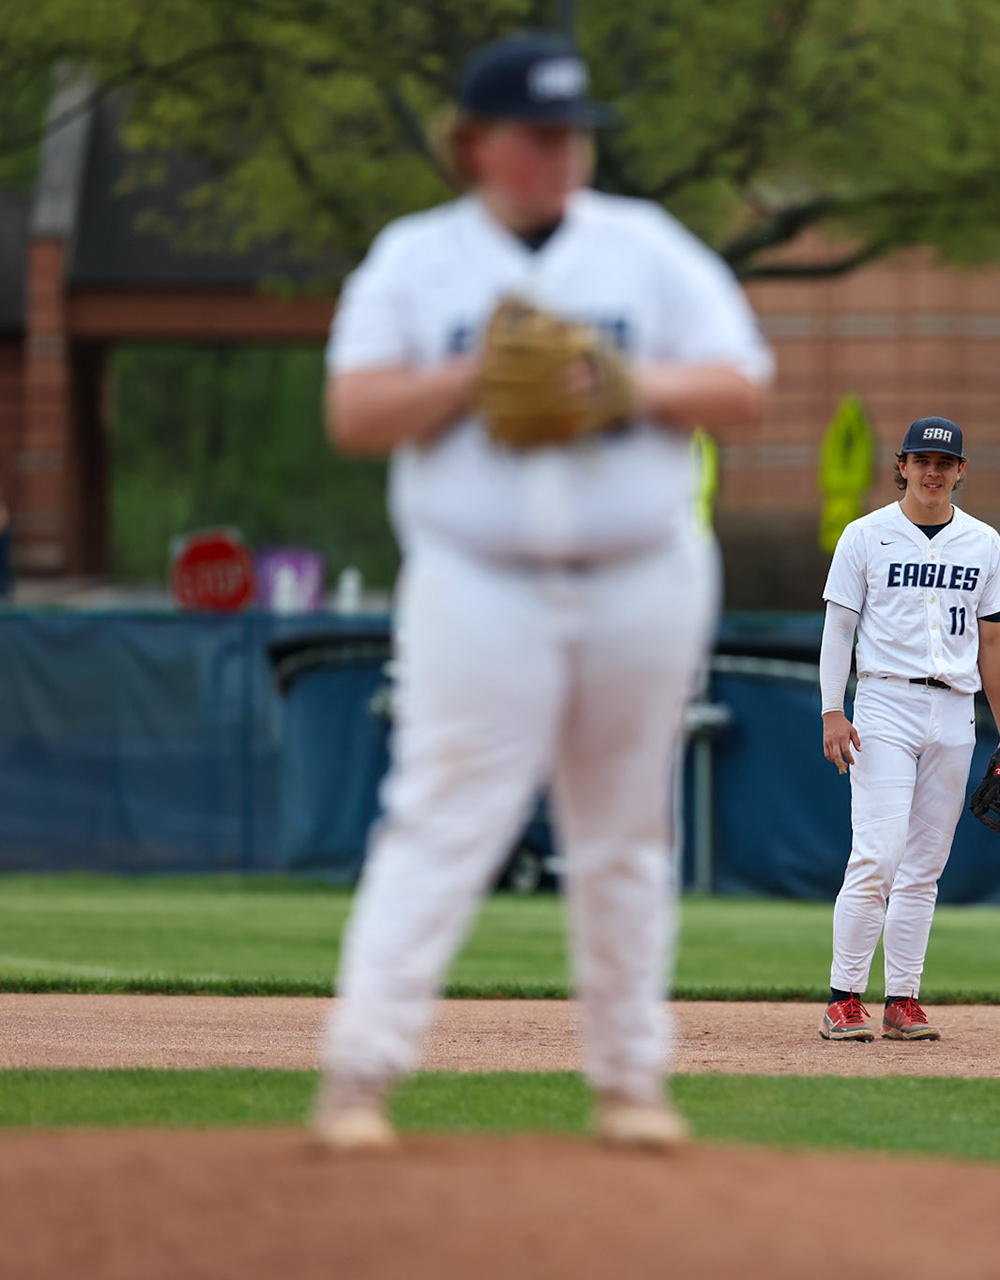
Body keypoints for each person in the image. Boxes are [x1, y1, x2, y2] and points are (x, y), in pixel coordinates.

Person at [313, 33, 773, 1151]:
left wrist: (630, 383)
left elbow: (742, 387)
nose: (563, 153)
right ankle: (359, 1076)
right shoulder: (418, 259)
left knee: (627, 829)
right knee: (441, 815)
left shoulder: (644, 247)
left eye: (574, 135)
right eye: (538, 134)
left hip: (643, 575)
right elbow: (354, 413)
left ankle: (631, 1083)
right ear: (474, 143)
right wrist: (468, 376)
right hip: (477, 580)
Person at [817, 416, 1000, 1042]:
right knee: (877, 854)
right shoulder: (865, 535)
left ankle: (902, 1000)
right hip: (884, 703)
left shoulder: (983, 542)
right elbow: (839, 630)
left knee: (924, 866)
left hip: (955, 711)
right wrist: (832, 709)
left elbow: (994, 642)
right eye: (921, 461)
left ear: (961, 471)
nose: (933, 472)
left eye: (945, 462)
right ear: (902, 466)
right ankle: (843, 998)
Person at [0, 488, 12, 601]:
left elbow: (2, 523)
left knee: (3, 564)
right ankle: (1, 589)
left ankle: (4, 589)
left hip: (2, 537)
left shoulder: (1, 508)